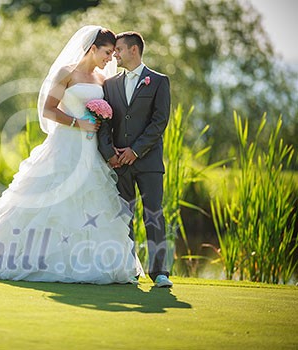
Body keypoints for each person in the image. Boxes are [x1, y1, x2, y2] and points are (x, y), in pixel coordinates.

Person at [0, 26, 143, 284]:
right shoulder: (67, 73)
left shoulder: (102, 81)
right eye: (107, 52)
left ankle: (85, 264)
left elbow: (107, 120)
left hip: (89, 152)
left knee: (90, 203)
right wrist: (76, 123)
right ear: (93, 48)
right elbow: (49, 110)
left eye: (112, 54)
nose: (110, 59)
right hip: (64, 146)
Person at [98, 31, 173, 287]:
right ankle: (128, 268)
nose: (114, 54)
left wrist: (136, 150)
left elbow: (159, 121)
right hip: (120, 163)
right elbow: (105, 122)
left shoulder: (159, 81)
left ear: (133, 50)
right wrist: (110, 154)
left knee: (154, 214)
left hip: (149, 162)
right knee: (123, 217)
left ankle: (160, 272)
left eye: (118, 49)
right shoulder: (110, 85)